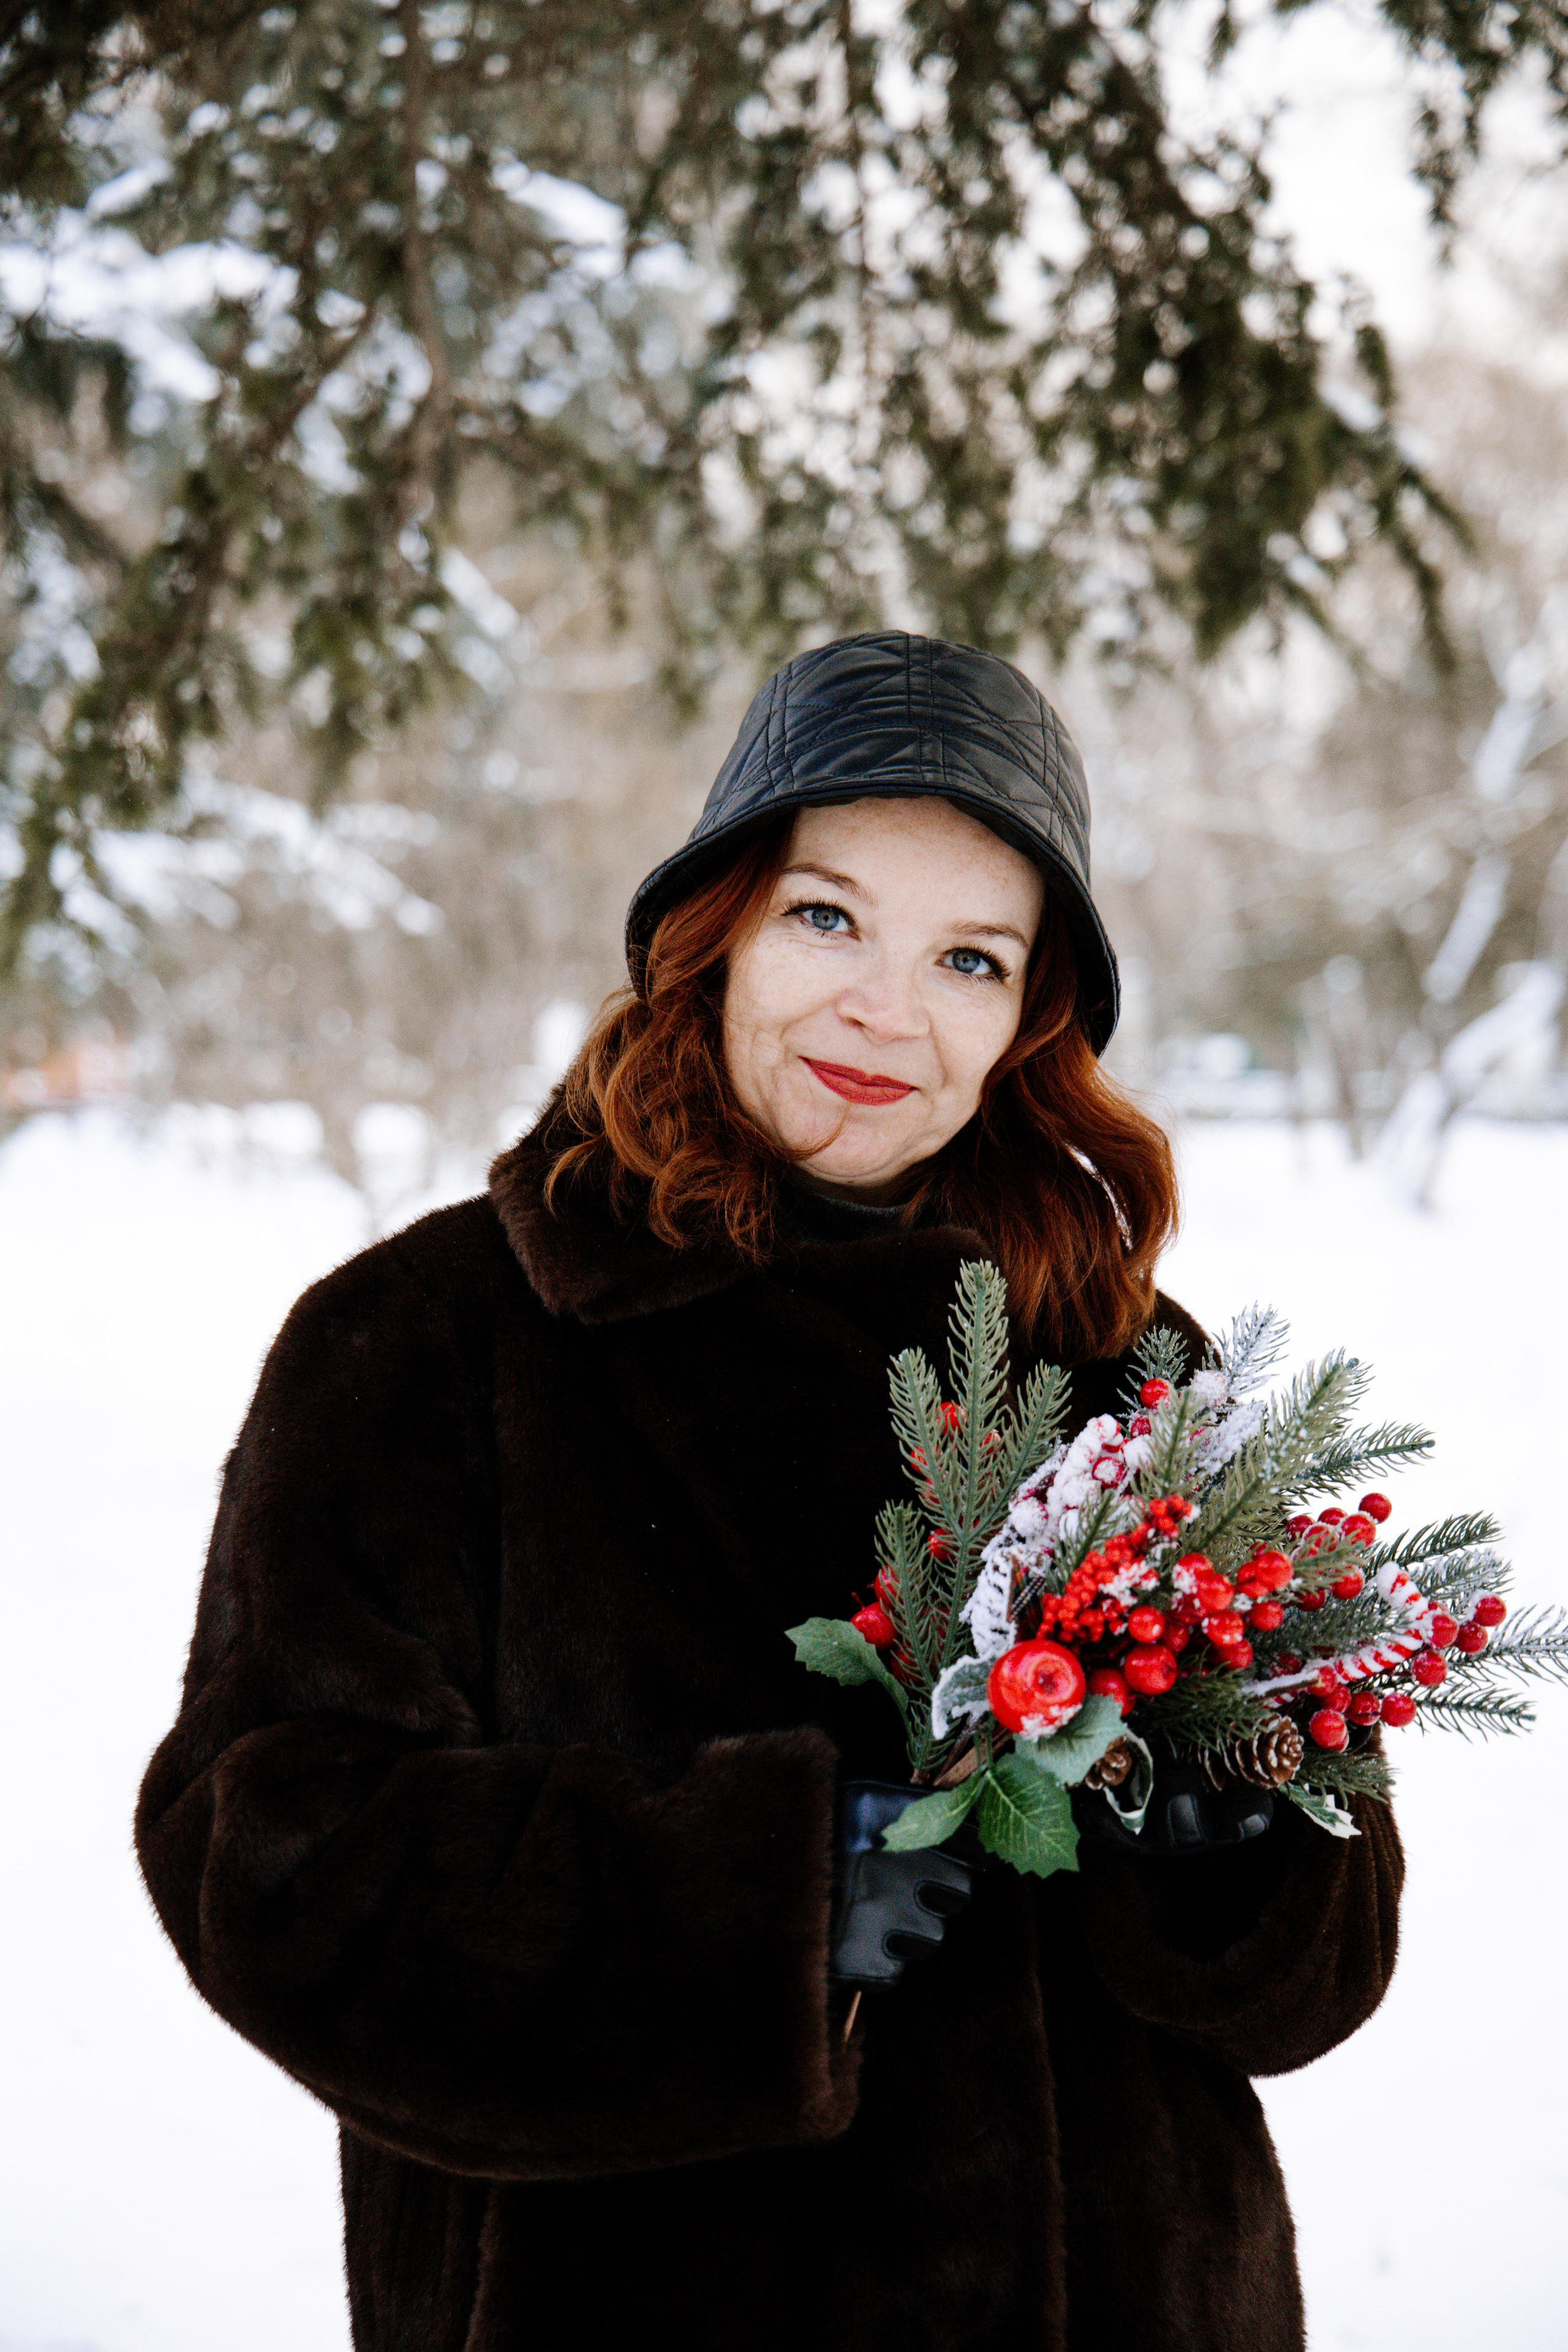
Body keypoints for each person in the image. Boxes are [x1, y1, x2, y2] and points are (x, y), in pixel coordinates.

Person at [136, 631, 1403, 2352]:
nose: (888, 1011)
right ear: (713, 930)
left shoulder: (1126, 1367)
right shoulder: (433, 1340)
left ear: (1030, 1016)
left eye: (969, 957)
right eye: (828, 918)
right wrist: (762, 1913)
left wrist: (1240, 1832)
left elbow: (1313, 1973)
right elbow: (269, 1856)